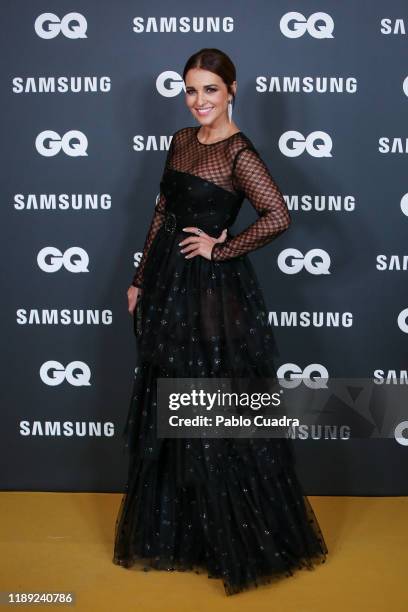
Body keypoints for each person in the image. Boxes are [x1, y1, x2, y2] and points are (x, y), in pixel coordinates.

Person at [113, 47, 328, 596]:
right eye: (191, 89)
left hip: (211, 291)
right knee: (171, 397)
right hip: (165, 283)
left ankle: (233, 538)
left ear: (232, 90)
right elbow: (162, 210)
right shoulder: (182, 141)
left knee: (213, 404)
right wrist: (140, 277)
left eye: (210, 89)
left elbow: (278, 215)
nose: (199, 100)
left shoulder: (239, 153)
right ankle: (181, 534)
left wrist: (222, 250)